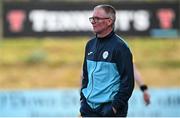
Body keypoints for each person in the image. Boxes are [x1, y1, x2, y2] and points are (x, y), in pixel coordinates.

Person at [80, 4, 134, 117]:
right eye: (92, 18)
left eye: (97, 18)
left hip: (109, 110)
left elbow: (128, 83)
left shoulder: (120, 47)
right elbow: (86, 76)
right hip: (89, 109)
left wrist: (114, 107)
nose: (93, 22)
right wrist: (83, 100)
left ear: (109, 21)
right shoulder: (89, 45)